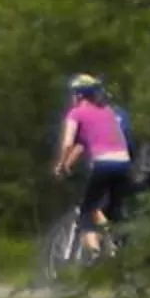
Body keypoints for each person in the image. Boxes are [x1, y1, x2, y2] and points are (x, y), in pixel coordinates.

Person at [55, 74, 135, 258]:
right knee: (112, 210)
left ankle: (95, 253)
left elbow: (68, 143)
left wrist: (61, 166)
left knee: (87, 212)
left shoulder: (76, 113)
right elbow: (83, 144)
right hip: (124, 163)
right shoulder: (107, 112)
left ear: (78, 95)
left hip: (102, 164)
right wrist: (69, 162)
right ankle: (120, 245)